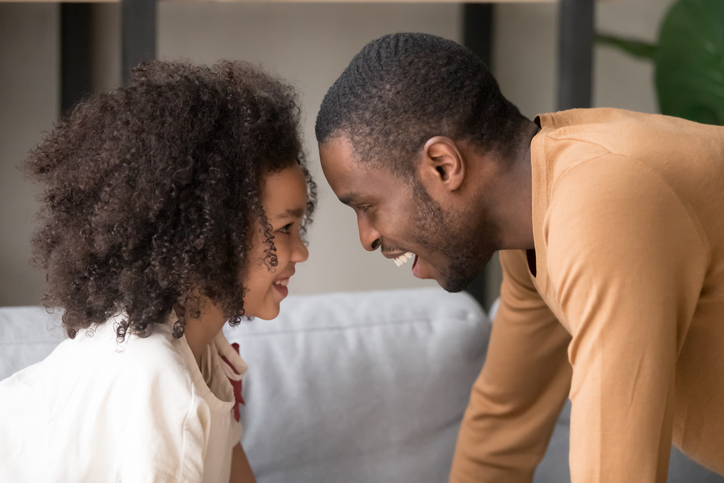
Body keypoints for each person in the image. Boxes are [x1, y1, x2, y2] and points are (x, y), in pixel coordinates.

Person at [315, 32, 724, 482]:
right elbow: (505, 426)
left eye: (366, 206)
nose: (366, 238)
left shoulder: (600, 203)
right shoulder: (532, 222)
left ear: (442, 166)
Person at [0, 60, 315, 483]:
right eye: (284, 229)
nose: (301, 252)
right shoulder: (154, 379)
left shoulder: (203, 349)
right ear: (210, 234)